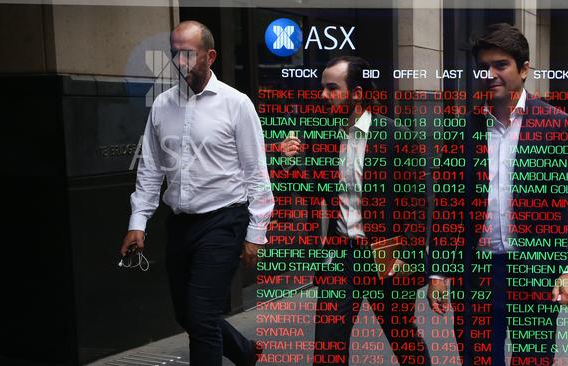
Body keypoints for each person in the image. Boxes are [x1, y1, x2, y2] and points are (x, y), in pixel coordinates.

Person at [426, 23, 568, 366]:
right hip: (478, 274)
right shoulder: (464, 132)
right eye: (483, 66)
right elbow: (447, 210)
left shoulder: (556, 126)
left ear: (524, 69)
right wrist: (438, 273)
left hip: (534, 272)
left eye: (500, 65)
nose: (490, 74)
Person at [120, 21, 273, 366]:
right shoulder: (161, 105)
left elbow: (256, 173)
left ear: (211, 56)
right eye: (175, 52)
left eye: (188, 53)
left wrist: (256, 235)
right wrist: (138, 223)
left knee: (202, 318)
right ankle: (244, 353)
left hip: (223, 221)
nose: (179, 60)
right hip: (180, 224)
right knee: (187, 314)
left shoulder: (237, 104)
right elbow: (150, 168)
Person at [280, 56, 431, 366]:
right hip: (341, 256)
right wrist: (286, 163)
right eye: (322, 88)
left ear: (357, 93)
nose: (323, 95)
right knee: (327, 349)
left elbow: (417, 204)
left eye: (332, 88)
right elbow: (310, 192)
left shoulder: (395, 136)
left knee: (405, 343)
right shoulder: (323, 138)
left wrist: (407, 253)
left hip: (386, 255)